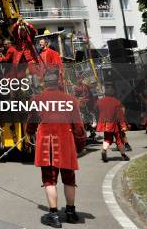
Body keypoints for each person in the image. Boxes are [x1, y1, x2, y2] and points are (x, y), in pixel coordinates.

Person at [26, 69, 86, 227]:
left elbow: (31, 121)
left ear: (44, 83)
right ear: (58, 81)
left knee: (49, 179)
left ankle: (53, 216)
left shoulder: (37, 99)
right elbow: (78, 127)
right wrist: (80, 144)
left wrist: (29, 132)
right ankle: (71, 213)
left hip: (47, 144)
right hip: (66, 142)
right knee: (69, 178)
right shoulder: (71, 100)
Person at [96, 84, 129, 162]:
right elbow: (120, 116)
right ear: (113, 92)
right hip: (114, 124)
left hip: (104, 124)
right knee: (119, 140)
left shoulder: (99, 102)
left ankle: (104, 150)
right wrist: (123, 125)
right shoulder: (116, 102)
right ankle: (123, 156)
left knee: (107, 138)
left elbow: (96, 110)